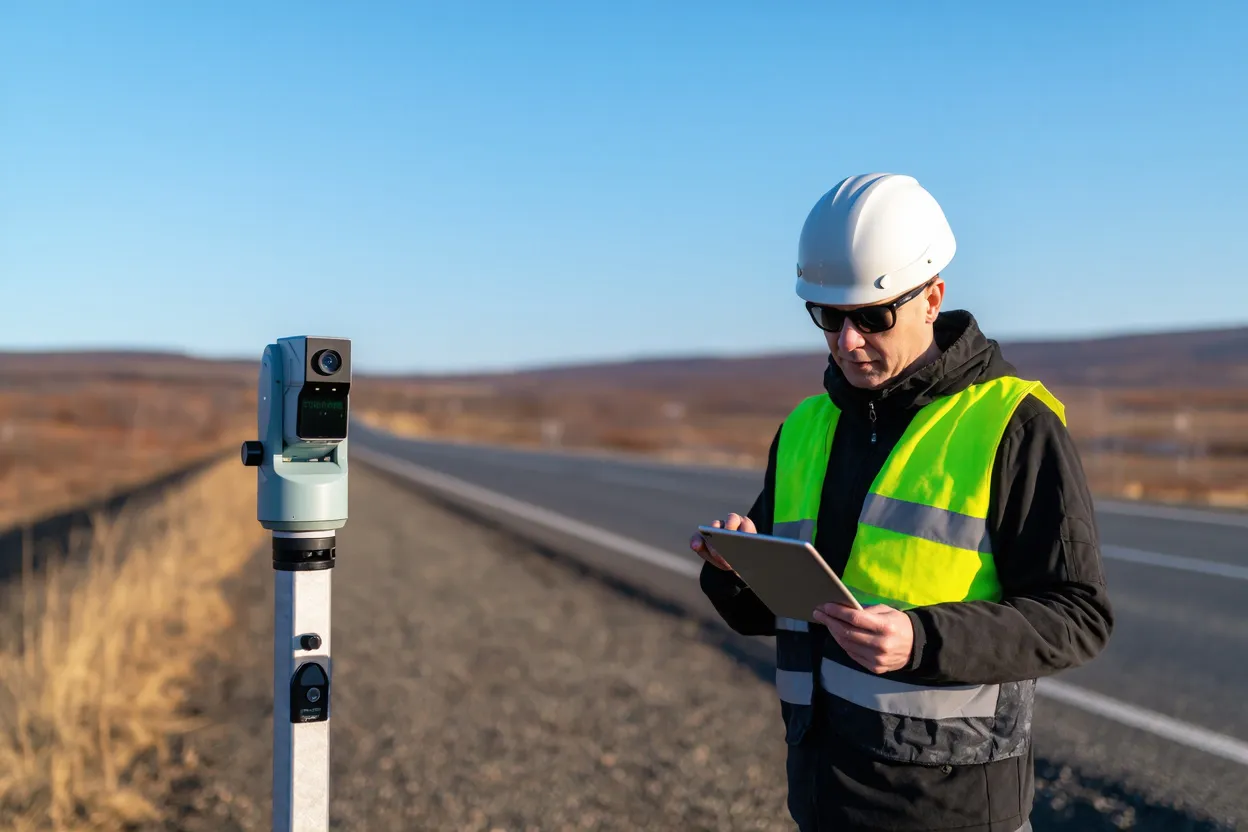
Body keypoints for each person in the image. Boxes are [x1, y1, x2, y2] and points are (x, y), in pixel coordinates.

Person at [689, 173, 1113, 832]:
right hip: (825, 800)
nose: (847, 341)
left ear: (931, 298)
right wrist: (734, 571)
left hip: (953, 809)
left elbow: (1078, 616)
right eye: (829, 317)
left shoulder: (1013, 425)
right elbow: (779, 613)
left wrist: (922, 639)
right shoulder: (807, 427)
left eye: (872, 317)